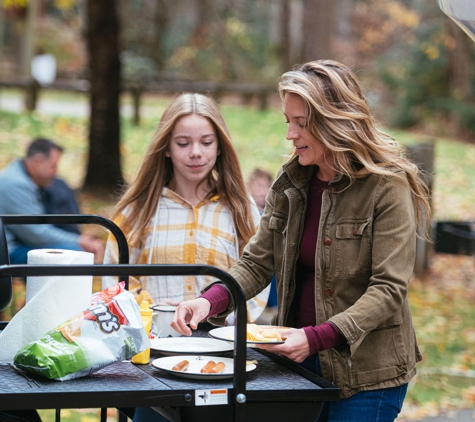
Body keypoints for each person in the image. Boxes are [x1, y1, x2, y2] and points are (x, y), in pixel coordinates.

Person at [171, 60, 432, 422]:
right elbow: (257, 262)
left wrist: (316, 337)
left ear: (334, 121)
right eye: (287, 122)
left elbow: (388, 289)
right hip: (300, 364)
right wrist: (208, 302)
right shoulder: (292, 182)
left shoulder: (387, 186)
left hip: (367, 375)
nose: (290, 135)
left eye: (301, 123)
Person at [101, 93, 269, 422]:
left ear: (220, 146)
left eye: (206, 142)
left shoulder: (241, 208)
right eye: (182, 143)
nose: (196, 153)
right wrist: (148, 321)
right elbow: (116, 280)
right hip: (152, 356)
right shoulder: (136, 210)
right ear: (166, 147)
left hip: (220, 354)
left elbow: (258, 274)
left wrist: (232, 325)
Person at [0, 138, 103, 264]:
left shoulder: (21, 176)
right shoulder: (15, 185)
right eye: (53, 166)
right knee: (74, 255)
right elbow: (36, 234)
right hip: (10, 251)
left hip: (20, 243)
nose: (55, 172)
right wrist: (78, 241)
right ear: (38, 161)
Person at [247, 168, 278, 313]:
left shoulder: (272, 212)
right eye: (259, 185)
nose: (263, 191)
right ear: (249, 186)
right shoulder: (247, 211)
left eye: (267, 186)